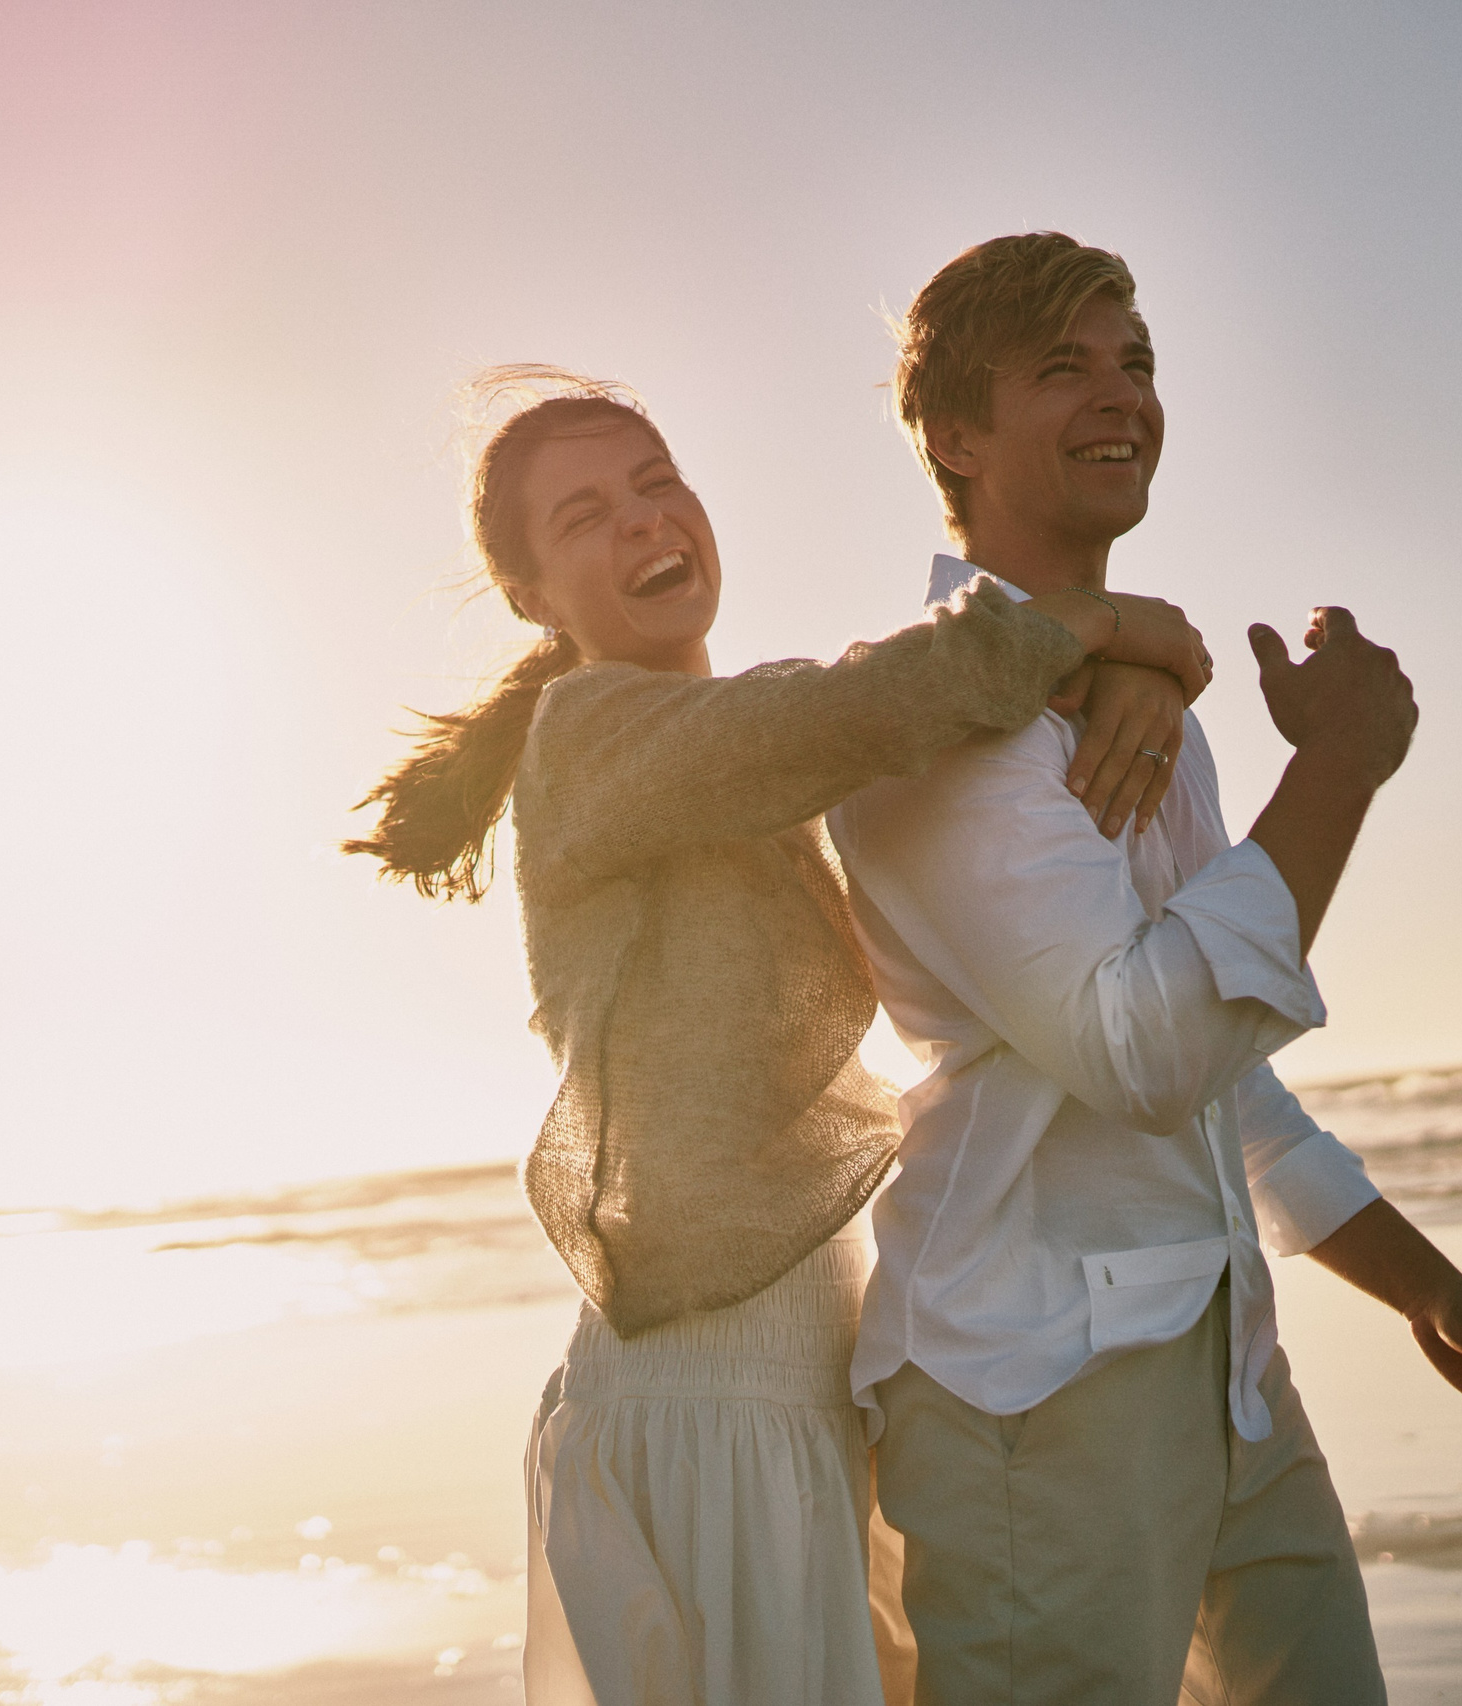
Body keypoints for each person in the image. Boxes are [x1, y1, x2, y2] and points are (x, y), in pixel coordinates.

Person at [343, 368, 1217, 1706]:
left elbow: (861, 710)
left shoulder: (725, 743)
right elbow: (863, 705)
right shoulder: (591, 733)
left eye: (657, 484)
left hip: (804, 1380)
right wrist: (1117, 626)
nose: (646, 524)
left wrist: (1120, 671)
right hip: (705, 1404)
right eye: (587, 516)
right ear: (530, 594)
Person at [826, 234, 1462, 1704]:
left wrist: (1429, 1288)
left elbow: (1222, 1087)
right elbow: (1142, 1049)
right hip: (1026, 1407)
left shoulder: (1146, 702)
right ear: (956, 438)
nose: (1123, 393)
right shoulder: (924, 717)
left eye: (1139, 362)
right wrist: (1342, 772)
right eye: (1067, 366)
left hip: (1229, 1368)